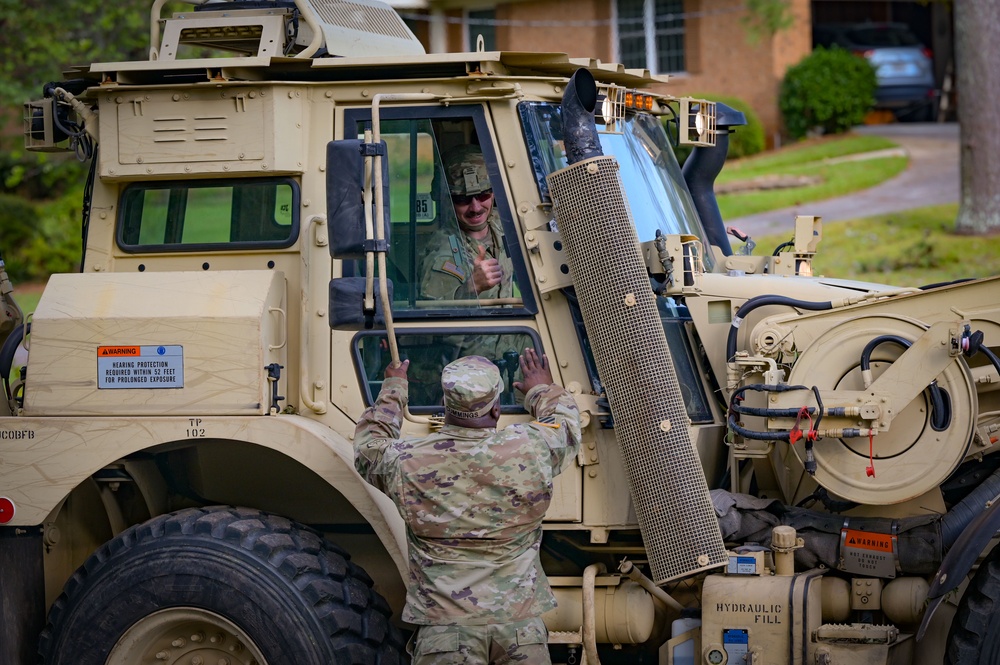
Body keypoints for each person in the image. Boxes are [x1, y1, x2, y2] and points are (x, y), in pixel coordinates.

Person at [353, 349, 581, 664]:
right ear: (496, 410)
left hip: (446, 633)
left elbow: (369, 447)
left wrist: (393, 391)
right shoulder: (532, 449)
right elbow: (566, 427)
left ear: (445, 405)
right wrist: (542, 389)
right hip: (520, 629)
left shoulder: (404, 461)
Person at [421, 145, 514, 302]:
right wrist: (471, 288)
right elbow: (433, 316)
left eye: (483, 195)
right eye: (462, 199)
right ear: (448, 201)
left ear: (493, 194)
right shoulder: (443, 255)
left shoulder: (505, 224)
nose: (476, 208)